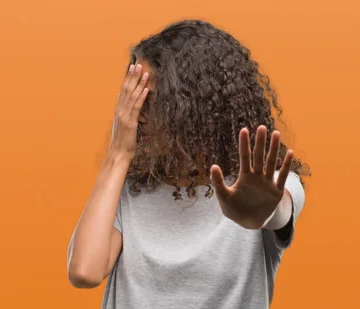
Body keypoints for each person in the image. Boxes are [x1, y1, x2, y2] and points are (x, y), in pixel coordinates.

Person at [66, 20, 309, 309]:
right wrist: (117, 156)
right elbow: (85, 271)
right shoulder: (128, 186)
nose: (134, 115)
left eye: (152, 101)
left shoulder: (268, 183)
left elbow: (279, 211)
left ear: (197, 108)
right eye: (132, 99)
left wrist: (264, 213)